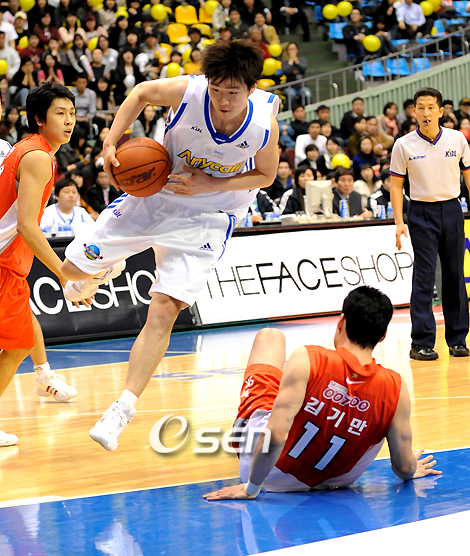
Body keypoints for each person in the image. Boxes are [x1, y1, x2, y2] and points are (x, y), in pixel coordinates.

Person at [60, 39, 280, 452]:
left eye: (233, 92)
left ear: (251, 89)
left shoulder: (264, 121)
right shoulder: (190, 91)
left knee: (164, 309)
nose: (223, 100)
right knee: (70, 274)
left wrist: (210, 184)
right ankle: (106, 268)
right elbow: (141, 93)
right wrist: (112, 140)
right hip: (155, 195)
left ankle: (122, 407)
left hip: (208, 217)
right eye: (217, 89)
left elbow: (266, 175)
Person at [204, 286, 441, 500]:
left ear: (341, 322)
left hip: (264, 474)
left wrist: (251, 487)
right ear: (382, 336)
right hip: (333, 481)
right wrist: (411, 470)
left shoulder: (309, 358)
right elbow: (403, 467)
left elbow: (276, 435)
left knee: (270, 337)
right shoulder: (396, 387)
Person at [0, 82, 89, 447]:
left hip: (9, 263)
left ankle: (44, 376)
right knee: (18, 343)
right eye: (59, 113)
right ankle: (45, 377)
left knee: (21, 340)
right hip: (3, 261)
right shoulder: (36, 156)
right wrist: (64, 272)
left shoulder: (30, 150)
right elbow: (26, 225)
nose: (69, 121)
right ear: (39, 118)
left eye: (72, 113)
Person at [390, 87, 470, 361]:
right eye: (421, 108)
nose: (426, 112)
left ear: (440, 111)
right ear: (414, 112)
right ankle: (421, 342)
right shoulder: (403, 145)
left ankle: (458, 339)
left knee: (455, 274)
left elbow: (468, 175)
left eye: (431, 107)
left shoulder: (457, 139)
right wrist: (399, 221)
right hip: (420, 212)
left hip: (452, 209)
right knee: (424, 276)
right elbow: (396, 184)